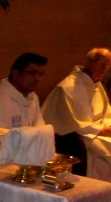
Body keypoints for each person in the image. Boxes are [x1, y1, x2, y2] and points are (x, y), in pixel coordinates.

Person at [42, 47, 111, 181]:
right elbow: (73, 123)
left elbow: (106, 112)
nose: (105, 68)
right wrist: (101, 131)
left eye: (108, 64)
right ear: (89, 62)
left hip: (97, 133)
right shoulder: (69, 86)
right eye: (101, 63)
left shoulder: (96, 84)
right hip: (78, 137)